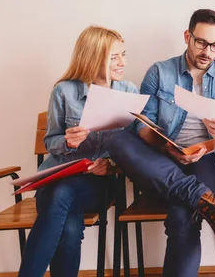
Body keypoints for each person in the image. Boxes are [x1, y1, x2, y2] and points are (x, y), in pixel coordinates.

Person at [108, 9, 215, 277]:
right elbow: (141, 123)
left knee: (182, 215)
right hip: (160, 160)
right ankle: (211, 203)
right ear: (187, 36)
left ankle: (202, 199)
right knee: (118, 139)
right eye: (201, 42)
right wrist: (165, 146)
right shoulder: (160, 72)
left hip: (206, 160)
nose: (208, 51)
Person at [18, 25, 138, 277]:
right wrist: (67, 142)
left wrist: (112, 165)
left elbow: (134, 146)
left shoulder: (129, 92)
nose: (122, 63)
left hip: (99, 185)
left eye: (123, 55)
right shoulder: (64, 91)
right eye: (114, 57)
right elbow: (51, 140)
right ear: (93, 58)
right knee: (70, 227)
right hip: (55, 179)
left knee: (63, 196)